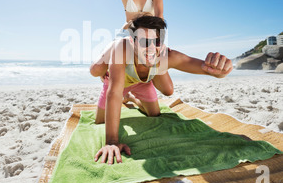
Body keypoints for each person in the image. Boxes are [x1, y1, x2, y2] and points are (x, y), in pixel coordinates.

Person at [92, 15, 233, 165]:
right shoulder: (121, 48)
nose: (152, 47)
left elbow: (209, 70)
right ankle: (119, 88)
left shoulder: (168, 54)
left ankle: (131, 98)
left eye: (157, 41)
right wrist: (112, 141)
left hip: (142, 82)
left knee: (156, 113)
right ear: (133, 42)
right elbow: (114, 92)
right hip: (116, 80)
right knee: (100, 116)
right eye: (145, 42)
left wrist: (223, 69)